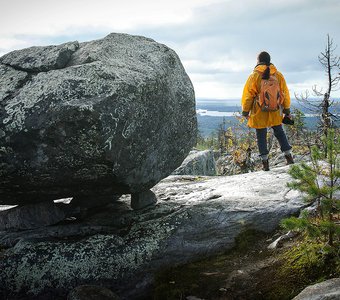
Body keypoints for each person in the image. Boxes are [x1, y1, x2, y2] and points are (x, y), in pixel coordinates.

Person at [241, 51, 294, 171]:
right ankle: (289, 157)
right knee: (279, 131)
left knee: (261, 135)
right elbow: (284, 93)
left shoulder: (254, 76)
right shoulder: (278, 75)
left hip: (259, 110)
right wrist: (286, 109)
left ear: (258, 61)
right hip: (275, 110)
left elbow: (248, 95)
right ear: (269, 60)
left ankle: (265, 164)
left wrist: (245, 111)